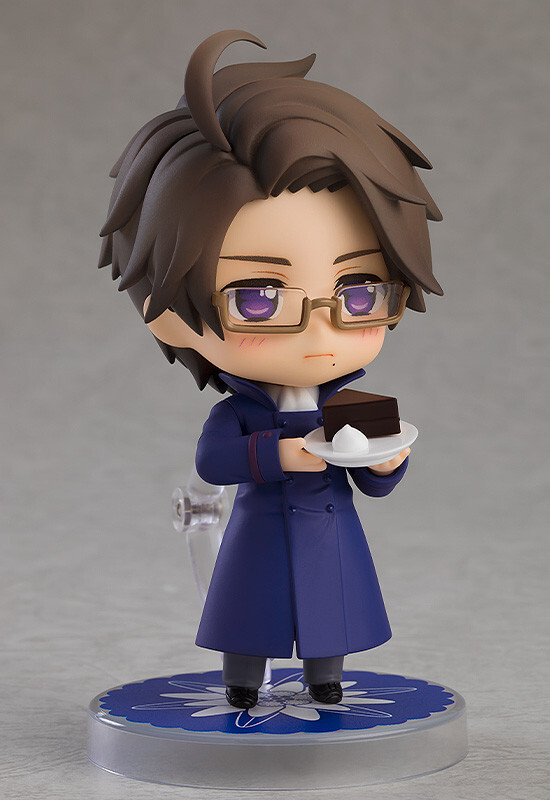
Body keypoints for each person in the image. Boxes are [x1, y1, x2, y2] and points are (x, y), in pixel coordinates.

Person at [99, 30, 443, 709]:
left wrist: (383, 464)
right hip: (256, 535)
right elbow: (214, 460)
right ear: (171, 318)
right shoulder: (240, 411)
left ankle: (326, 678)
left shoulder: (349, 406)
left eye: (358, 294)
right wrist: (279, 453)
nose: (320, 331)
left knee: (332, 611)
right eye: (259, 299)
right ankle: (242, 683)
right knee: (249, 614)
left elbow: (375, 482)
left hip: (330, 534)